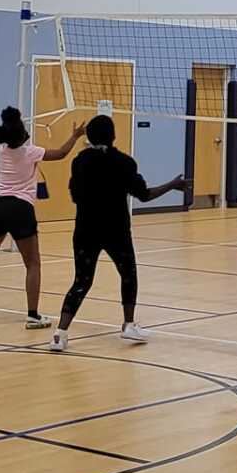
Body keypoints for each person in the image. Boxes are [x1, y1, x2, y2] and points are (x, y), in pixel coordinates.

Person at [49, 113, 186, 352]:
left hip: (85, 229)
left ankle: (60, 334)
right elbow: (145, 195)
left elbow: (74, 195)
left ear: (89, 137)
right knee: (128, 275)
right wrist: (172, 185)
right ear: (113, 136)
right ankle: (129, 325)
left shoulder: (79, 161)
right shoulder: (124, 162)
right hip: (116, 230)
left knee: (81, 281)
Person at [0, 106, 84, 327]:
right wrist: (76, 135)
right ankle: (32, 315)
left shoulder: (0, 149)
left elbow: (10, 132)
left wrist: (15, 123)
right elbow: (60, 153)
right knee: (32, 263)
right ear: (23, 135)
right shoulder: (31, 152)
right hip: (21, 208)